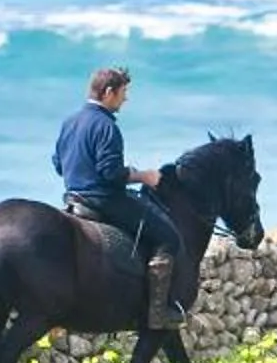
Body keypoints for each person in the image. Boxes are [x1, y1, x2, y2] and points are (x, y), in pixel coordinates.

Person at [53, 65, 186, 326]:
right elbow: (111, 173)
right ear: (109, 92)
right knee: (168, 236)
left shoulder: (69, 122)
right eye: (124, 93)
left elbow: (59, 164)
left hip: (73, 197)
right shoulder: (105, 126)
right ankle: (158, 313)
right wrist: (143, 176)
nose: (126, 99)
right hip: (102, 199)